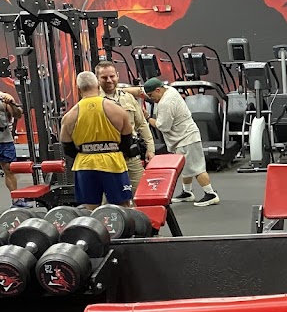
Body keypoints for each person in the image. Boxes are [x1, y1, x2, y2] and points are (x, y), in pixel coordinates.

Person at [60, 71, 134, 209]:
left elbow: (67, 147)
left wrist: (86, 152)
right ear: (98, 86)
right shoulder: (117, 110)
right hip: (113, 162)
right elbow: (127, 140)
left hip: (85, 165)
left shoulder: (69, 116)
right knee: (122, 208)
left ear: (78, 89)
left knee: (91, 209)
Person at [142, 78, 220, 206]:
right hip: (183, 137)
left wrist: (147, 118)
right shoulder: (170, 90)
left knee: (197, 168)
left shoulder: (165, 103)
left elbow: (163, 126)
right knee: (185, 166)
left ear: (158, 90)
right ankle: (187, 192)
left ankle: (210, 194)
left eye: (151, 95)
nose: (151, 98)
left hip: (186, 138)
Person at [95, 61, 155, 193]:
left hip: (131, 156)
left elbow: (142, 124)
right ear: (97, 79)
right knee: (109, 198)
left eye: (112, 76)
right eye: (104, 77)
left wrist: (150, 149)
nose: (109, 80)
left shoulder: (128, 98)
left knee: (141, 193)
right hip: (106, 158)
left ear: (117, 75)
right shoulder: (93, 101)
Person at [0, 89, 23, 202]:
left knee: (9, 169)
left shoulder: (4, 97)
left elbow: (18, 115)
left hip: (4, 138)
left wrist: (11, 104)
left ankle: (16, 200)